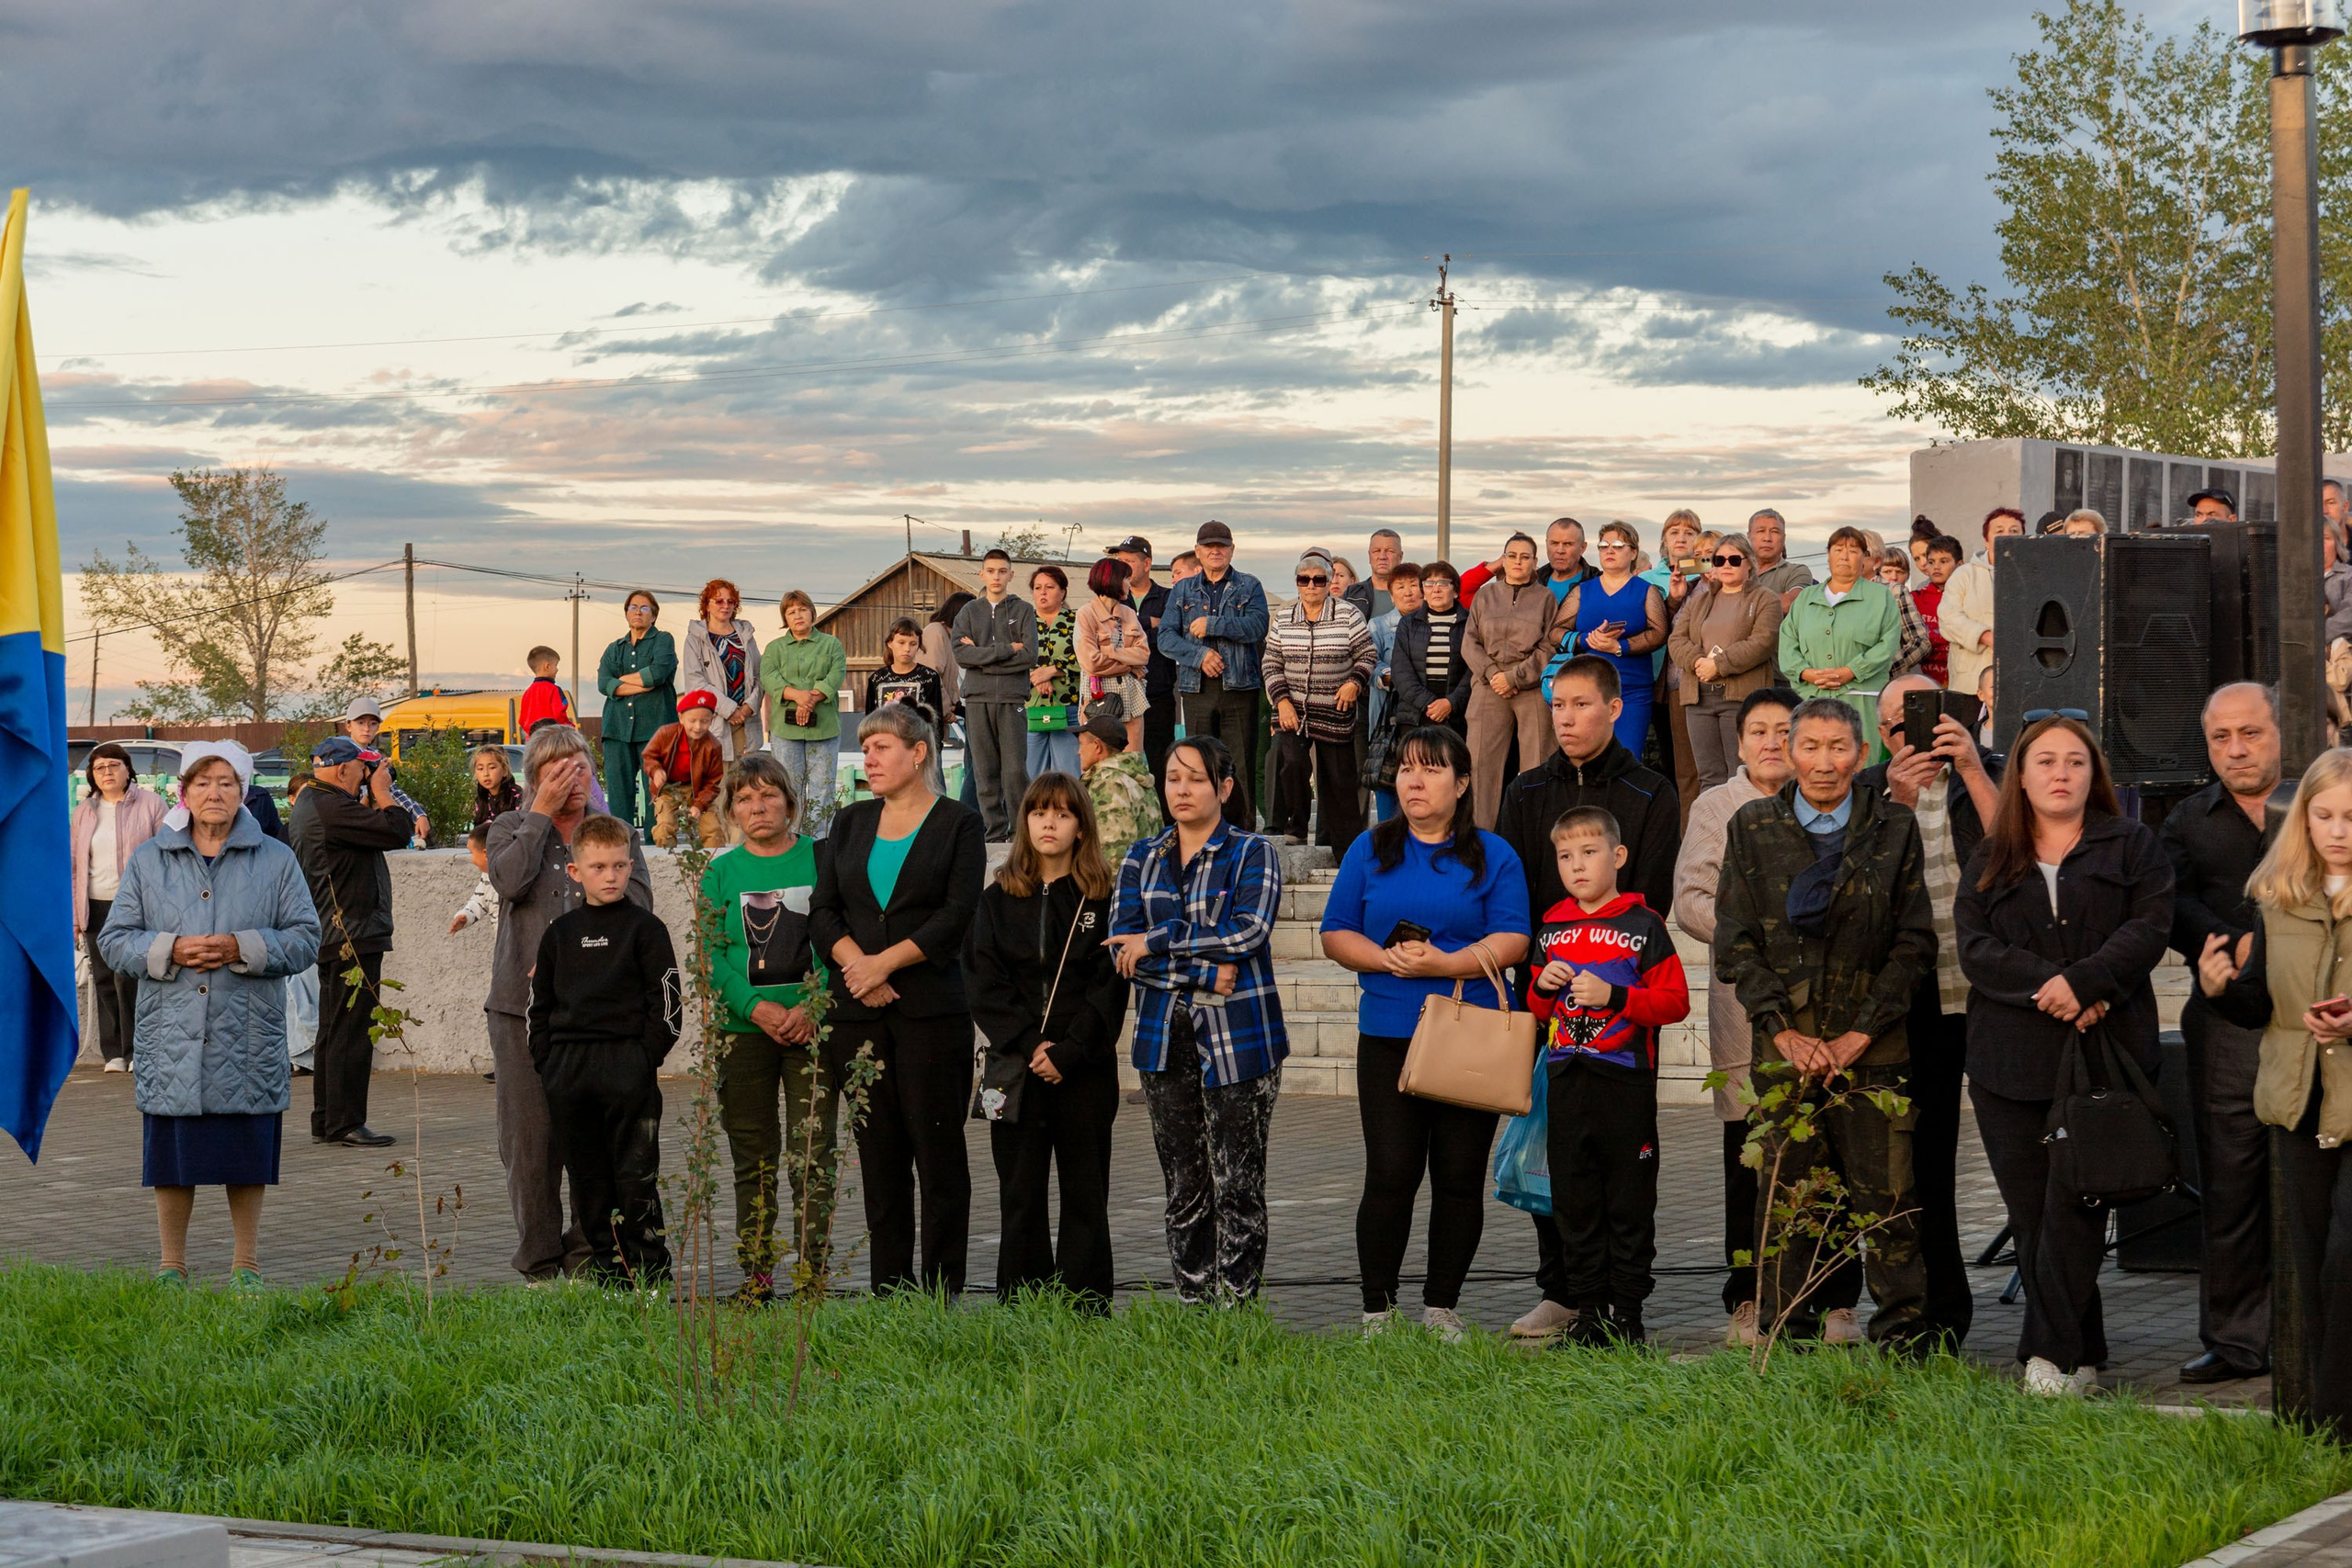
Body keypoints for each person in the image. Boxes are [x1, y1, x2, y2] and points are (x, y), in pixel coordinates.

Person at [1956, 715, 2172, 1395]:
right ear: (2019, 774)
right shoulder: (1991, 854)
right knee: (2033, 1214)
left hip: (2104, 1055)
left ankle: (2045, 1355)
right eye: (2044, 760)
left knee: (2078, 1202)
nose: (2060, 773)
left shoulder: (2132, 844)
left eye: (2074, 761)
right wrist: (2053, 988)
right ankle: (2085, 1349)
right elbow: (1977, 948)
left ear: (2093, 773)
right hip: (2009, 1065)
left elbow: (2150, 926)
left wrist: (2087, 982)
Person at [1713, 698, 1936, 1348]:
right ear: (1788, 749)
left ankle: (1905, 1346)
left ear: (1862, 755)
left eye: (1838, 747)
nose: (1823, 762)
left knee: (1889, 1202)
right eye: (1808, 745)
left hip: (1875, 1053)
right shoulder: (1753, 825)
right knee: (1787, 1204)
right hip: (1785, 1053)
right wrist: (1784, 1030)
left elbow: (1913, 944)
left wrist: (1858, 1034)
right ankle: (1786, 1340)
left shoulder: (1892, 827)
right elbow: (1736, 942)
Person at [1318, 725, 1530, 1337]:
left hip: (1470, 1034)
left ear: (1462, 783)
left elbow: (1514, 935)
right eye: (1407, 767)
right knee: (1390, 1171)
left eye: (1433, 768)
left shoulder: (1493, 853)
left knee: (1460, 1177)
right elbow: (1336, 930)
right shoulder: (1370, 848)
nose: (1414, 779)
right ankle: (1377, 1309)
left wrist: (1445, 964)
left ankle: (1441, 1305)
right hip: (1388, 1032)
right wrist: (1386, 959)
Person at [1495, 655, 1681, 1338]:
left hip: (1621, 1017)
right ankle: (1564, 1289)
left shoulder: (1650, 791)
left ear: (1612, 707)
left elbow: (1651, 900)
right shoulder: (1525, 790)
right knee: (1555, 1154)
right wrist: (1545, 969)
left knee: (1619, 1173)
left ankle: (1618, 1305)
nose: (1567, 718)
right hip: (1546, 995)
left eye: (1580, 704)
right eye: (1557, 706)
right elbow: (1514, 892)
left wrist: (1604, 969)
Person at [97, 742, 318, 1287]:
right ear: (184, 793)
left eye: (225, 782)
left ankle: (246, 1264)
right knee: (173, 1157)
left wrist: (243, 946)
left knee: (245, 1151)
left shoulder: (275, 858)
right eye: (202, 783)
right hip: (172, 1031)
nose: (214, 793)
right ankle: (172, 1264)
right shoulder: (151, 858)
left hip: (247, 1032)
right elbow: (115, 940)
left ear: (243, 791)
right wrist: (168, 949)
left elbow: (306, 938)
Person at [2199, 747, 2352, 1435]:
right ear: (2304, 821)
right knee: (2314, 1262)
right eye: (2323, 814)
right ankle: (2328, 1425)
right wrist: (2219, 990)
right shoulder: (2276, 897)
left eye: (2351, 816)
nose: (2338, 829)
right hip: (2300, 1100)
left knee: (2347, 1260)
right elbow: (2260, 1004)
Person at [810, 703, 988, 1294]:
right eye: (866, 749)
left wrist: (884, 962)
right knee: (879, 1157)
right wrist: (858, 966)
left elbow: (957, 914)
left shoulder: (958, 823)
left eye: (883, 747)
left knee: (938, 1157)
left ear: (919, 754)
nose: (870, 758)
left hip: (931, 1014)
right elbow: (823, 911)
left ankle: (941, 1294)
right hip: (857, 1015)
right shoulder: (851, 822)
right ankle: (890, 1289)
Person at [1108, 734, 1286, 1303]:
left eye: (1196, 779)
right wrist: (1207, 973)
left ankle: (1237, 1311)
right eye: (1172, 778)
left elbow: (1248, 932)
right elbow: (1120, 952)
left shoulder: (1252, 852)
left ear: (1225, 788)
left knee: (1238, 1185)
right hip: (1163, 1038)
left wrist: (1156, 942)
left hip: (1240, 1039)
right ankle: (1193, 1306)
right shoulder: (1142, 856)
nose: (1181, 790)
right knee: (1185, 1185)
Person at [487, 724, 656, 1280]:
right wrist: (540, 814)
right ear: (535, 779)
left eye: (582, 767)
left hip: (599, 1018)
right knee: (530, 1144)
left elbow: (637, 908)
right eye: (559, 771)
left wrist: (571, 960)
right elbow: (509, 883)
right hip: (520, 1012)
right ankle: (538, 1261)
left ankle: (591, 1257)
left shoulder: (613, 834)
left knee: (597, 1140)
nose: (573, 779)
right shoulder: (511, 828)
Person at [1861, 673, 2000, 1348]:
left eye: (1932, 715)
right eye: (1899, 725)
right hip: (1916, 1006)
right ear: (1882, 737)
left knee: (2027, 1161)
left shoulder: (1993, 774)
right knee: (1924, 1163)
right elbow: (1861, 896)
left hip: (2000, 996)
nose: (1917, 733)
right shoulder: (1869, 793)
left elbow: (2022, 856)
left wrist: (1971, 764)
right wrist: (1898, 801)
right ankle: (1938, 1315)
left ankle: (2063, 1328)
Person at [1671, 687, 1806, 1344]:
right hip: (1743, 1001)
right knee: (1746, 1156)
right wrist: (1750, 937)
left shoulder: (1827, 802)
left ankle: (1828, 1297)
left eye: (1785, 729)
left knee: (1817, 1145)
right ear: (1741, 739)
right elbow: (1691, 897)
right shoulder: (1716, 805)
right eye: (1758, 730)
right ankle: (1746, 1298)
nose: (1772, 742)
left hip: (1817, 1005)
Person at [1527, 805, 1691, 1345]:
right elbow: (1538, 1008)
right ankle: (1589, 1311)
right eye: (1565, 855)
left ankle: (1627, 1314)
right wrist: (1542, 989)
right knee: (1575, 1203)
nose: (1577, 865)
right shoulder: (1550, 926)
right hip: (1566, 1083)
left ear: (1617, 857)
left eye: (1589, 852)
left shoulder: (1644, 925)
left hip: (1625, 1084)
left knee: (1628, 1200)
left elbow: (1675, 1003)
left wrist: (1615, 996)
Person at [2158, 682, 2283, 1384]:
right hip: (2226, 1021)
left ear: (2281, 729)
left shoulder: (2322, 802)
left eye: (2250, 733)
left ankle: (2317, 1329)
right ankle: (2237, 1342)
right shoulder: (2187, 819)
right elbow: (2170, 901)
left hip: (2320, 1016)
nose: (2235, 749)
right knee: (2232, 1185)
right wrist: (2231, 941)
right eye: (2221, 737)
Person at [966, 773, 1129, 1306]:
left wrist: (1070, 1051)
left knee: (1086, 1194)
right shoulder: (995, 899)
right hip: (1015, 1069)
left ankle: (1086, 1307)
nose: (1049, 823)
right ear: (1025, 823)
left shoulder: (1103, 898)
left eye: (1061, 813)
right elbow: (983, 982)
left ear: (1081, 826)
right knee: (1020, 1195)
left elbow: (1109, 987)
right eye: (1039, 813)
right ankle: (1023, 1304)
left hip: (1084, 1070)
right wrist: (1032, 1044)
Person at [528, 812, 681, 1285]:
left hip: (627, 1070)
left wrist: (641, 1059)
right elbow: (540, 1008)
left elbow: (669, 1005)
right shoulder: (559, 934)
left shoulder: (646, 930)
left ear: (631, 865)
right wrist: (550, 1065)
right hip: (569, 1074)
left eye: (618, 865)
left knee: (635, 1179)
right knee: (589, 1181)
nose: (610, 876)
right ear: (576, 873)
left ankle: (649, 1277)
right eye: (598, 867)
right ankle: (612, 1277)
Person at [701, 753, 830, 1302]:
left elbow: (837, 938)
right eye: (745, 799)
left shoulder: (822, 860)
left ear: (790, 803)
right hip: (744, 1034)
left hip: (810, 1031)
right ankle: (756, 1279)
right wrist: (755, 1008)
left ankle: (811, 1280)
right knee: (752, 1160)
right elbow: (708, 954)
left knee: (812, 1156)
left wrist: (809, 1006)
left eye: (769, 795)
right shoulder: (719, 871)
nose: (758, 807)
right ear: (732, 811)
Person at [286, 734, 413, 1150]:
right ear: (343, 769)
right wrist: (382, 792)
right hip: (351, 935)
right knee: (352, 1030)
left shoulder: (313, 801)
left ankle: (327, 1118)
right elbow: (397, 830)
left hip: (338, 931)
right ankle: (345, 1122)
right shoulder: (329, 804)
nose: (366, 776)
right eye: (362, 769)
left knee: (334, 1027)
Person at [1159, 521, 1272, 830]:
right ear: (1198, 552)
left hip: (1240, 688)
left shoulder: (1249, 585)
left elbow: (1257, 626)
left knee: (1240, 764)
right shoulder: (1182, 589)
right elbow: (1166, 639)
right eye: (1209, 546)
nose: (1215, 551)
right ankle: (1200, 826)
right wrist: (1200, 656)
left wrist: (1213, 624)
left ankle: (1244, 831)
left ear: (1232, 550)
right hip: (1196, 689)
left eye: (1221, 546)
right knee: (1199, 762)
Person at [1264, 547, 1375, 854]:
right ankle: (1295, 829)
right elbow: (1271, 663)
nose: (1311, 585)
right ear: (1297, 582)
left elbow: (1367, 654)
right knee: (1293, 765)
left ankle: (1347, 850)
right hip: (1292, 709)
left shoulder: (1348, 614)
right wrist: (1281, 701)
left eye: (1318, 579)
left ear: (1328, 583)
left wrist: (1355, 683)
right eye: (1304, 579)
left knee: (1339, 781)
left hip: (1334, 711)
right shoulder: (1284, 616)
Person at [1464, 534, 1575, 829]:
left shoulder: (1546, 598)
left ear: (1535, 563)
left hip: (1530, 686)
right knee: (1480, 765)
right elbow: (1469, 642)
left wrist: (1516, 677)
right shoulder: (1485, 596)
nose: (1517, 562)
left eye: (1525, 557)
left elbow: (1549, 646)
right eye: (1512, 555)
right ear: (1504, 559)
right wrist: (1492, 675)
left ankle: (1534, 835)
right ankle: (1478, 838)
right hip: (1488, 685)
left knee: (1538, 762)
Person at [73, 742, 166, 1073]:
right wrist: (75, 916)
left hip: (137, 905)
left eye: (113, 765)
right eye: (100, 768)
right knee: (103, 977)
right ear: (92, 776)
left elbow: (167, 856)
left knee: (131, 977)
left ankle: (136, 1050)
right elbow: (74, 865)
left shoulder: (152, 804)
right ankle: (113, 1052)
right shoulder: (85, 812)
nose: (107, 772)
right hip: (96, 904)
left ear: (128, 769)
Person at [1668, 533, 1785, 795]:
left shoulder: (1765, 599)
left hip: (1740, 697)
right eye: (1719, 560)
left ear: (1749, 563)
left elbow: (1762, 642)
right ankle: (1716, 835)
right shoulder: (1698, 601)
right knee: (1708, 777)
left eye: (1734, 559)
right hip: (1698, 698)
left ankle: (1743, 833)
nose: (1726, 565)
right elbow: (1676, 640)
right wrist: (1698, 661)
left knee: (1741, 773)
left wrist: (1718, 665)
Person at [1780, 526, 1903, 750]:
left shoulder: (1880, 597)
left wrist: (1849, 672)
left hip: (1862, 698)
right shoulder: (1806, 597)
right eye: (1838, 550)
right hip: (1811, 698)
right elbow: (1787, 643)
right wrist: (1808, 674)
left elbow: (1888, 643)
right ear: (1828, 555)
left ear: (1865, 558)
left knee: (1862, 764)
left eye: (1853, 551)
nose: (1845, 556)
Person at [952, 549, 1039, 842]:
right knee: (985, 771)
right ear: (982, 574)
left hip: (1012, 699)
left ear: (1011, 575)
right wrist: (1005, 650)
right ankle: (994, 833)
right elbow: (962, 655)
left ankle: (1019, 832)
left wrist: (983, 659)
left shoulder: (1024, 609)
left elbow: (1029, 655)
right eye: (991, 571)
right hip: (976, 699)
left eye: (1002, 571)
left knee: (1015, 771)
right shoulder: (968, 612)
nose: (996, 576)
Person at [1561, 522, 1669, 756]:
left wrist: (1621, 646)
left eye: (1618, 545)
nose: (1609, 550)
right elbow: (1555, 632)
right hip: (1588, 691)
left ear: (1633, 552)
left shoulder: (1647, 591)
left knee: (1628, 757)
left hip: (1632, 691)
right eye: (1604, 545)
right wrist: (1587, 641)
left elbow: (1660, 633)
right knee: (1588, 757)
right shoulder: (1582, 590)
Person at [761, 588, 847, 841]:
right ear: (784, 618)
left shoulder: (831, 644)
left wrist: (812, 698)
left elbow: (836, 673)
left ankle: (821, 842)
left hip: (824, 729)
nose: (798, 615)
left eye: (802, 609)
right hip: (786, 731)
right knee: (789, 787)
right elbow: (768, 677)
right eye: (791, 612)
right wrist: (798, 697)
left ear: (812, 611)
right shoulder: (774, 648)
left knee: (822, 789)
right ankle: (791, 839)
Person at [594, 590, 679, 836]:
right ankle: (621, 844)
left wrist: (618, 683)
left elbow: (657, 674)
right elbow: (602, 683)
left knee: (657, 789)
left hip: (656, 730)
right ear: (626, 613)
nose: (638, 612)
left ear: (653, 615)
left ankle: (658, 845)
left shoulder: (663, 640)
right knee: (619, 793)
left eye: (644, 608)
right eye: (633, 607)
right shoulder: (614, 648)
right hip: (617, 729)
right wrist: (640, 683)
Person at [1939, 507, 2025, 705]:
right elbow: (1948, 619)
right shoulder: (1965, 575)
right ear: (1986, 540)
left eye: (2014, 531)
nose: (2007, 536)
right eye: (1999, 530)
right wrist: (1986, 636)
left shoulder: (2033, 577)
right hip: (1970, 681)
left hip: (2017, 677)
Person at [1111, 536, 1179, 778]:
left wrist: (1134, 638)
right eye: (1119, 561)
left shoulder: (1169, 597)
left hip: (1158, 695)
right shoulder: (1115, 599)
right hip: (1121, 695)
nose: (1122, 567)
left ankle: (1164, 816)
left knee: (1161, 762)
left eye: (1128, 561)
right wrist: (1148, 622)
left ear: (1147, 563)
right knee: (1125, 764)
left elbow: (1169, 637)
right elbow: (1110, 636)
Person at [680, 579, 765, 762]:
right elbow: (696, 684)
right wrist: (730, 710)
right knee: (717, 789)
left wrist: (749, 707)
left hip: (746, 722)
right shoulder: (695, 639)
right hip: (713, 724)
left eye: (730, 601)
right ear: (707, 605)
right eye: (719, 601)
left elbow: (760, 675)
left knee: (746, 787)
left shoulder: (746, 635)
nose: (725, 606)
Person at [865, 616, 950, 795]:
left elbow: (935, 719)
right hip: (885, 751)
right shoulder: (877, 679)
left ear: (919, 646)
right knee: (887, 798)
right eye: (901, 642)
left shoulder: (929, 677)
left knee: (929, 796)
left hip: (921, 749)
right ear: (890, 643)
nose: (907, 648)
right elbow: (869, 719)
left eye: (913, 643)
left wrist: (934, 752)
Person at [1366, 562, 1423, 822]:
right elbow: (1369, 665)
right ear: (1391, 595)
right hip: (1390, 718)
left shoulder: (1432, 624)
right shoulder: (1377, 626)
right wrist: (1396, 675)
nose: (1408, 592)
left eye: (1414, 585)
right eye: (1401, 587)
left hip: (1424, 715)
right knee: (1387, 779)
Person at [1075, 557, 1150, 754]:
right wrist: (1129, 666)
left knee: (1133, 765)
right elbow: (1092, 663)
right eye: (1126, 578)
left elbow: (1143, 655)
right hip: (1097, 702)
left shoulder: (1129, 614)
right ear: (1114, 580)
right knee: (1096, 764)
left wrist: (1112, 652)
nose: (1129, 583)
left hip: (1132, 700)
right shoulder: (1085, 614)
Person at [1392, 561, 1471, 741]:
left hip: (1457, 713)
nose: (1435, 589)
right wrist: (1430, 705)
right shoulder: (1408, 623)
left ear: (1456, 591)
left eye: (1443, 583)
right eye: (1429, 584)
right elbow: (1401, 670)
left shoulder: (1470, 622)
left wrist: (1450, 703)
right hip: (1416, 713)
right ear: (1423, 592)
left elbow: (1473, 669)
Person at [641, 689, 728, 849]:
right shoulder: (665, 734)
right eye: (692, 720)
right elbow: (649, 756)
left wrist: (699, 805)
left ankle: (712, 868)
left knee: (713, 830)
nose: (698, 726)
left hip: (698, 790)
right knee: (664, 828)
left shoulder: (713, 746)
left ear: (712, 720)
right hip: (669, 788)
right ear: (681, 718)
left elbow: (712, 783)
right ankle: (668, 864)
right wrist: (656, 770)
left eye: (704, 721)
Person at [336, 698, 428, 843]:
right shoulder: (337, 755)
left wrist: (419, 815)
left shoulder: (375, 758)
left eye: (373, 724)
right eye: (360, 723)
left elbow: (392, 790)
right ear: (348, 725)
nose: (366, 728)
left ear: (378, 727)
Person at [1077, 710, 1161, 866]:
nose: (1078, 752)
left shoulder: (1107, 782)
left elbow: (1114, 851)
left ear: (1097, 746)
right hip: (1149, 879)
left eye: (1082, 745)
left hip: (1121, 885)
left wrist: (1108, 889)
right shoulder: (1138, 776)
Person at [1024, 564, 1085, 779]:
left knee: (1069, 773)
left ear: (1063, 592)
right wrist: (1038, 676)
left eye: (1049, 587)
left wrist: (1053, 670)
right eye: (1038, 587)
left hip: (1068, 704)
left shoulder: (1077, 621)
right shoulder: (1023, 622)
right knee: (1032, 775)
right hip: (1032, 705)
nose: (1043, 592)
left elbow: (1085, 656)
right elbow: (1014, 656)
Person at [1913, 534, 1962, 686]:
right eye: (1931, 562)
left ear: (1960, 565)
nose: (1936, 567)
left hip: (1961, 678)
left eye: (1944, 561)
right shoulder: (1915, 599)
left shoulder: (1969, 598)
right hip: (1924, 680)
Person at [1876, 547, 1934, 678]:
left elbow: (1920, 642)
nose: (1894, 577)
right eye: (1888, 571)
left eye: (1900, 572)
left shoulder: (1900, 593)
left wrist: (1889, 669)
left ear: (1908, 575)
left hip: (1902, 675)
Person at [1746, 509, 1816, 614]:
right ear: (1749, 536)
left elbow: (1790, 604)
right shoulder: (1734, 568)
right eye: (1761, 531)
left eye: (1775, 532)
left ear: (1783, 538)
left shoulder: (1796, 571)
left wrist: (1739, 603)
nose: (1767, 538)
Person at [450, 823, 497, 934]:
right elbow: (479, 902)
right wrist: (465, 916)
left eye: (472, 853)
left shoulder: (513, 878)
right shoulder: (486, 876)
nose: (472, 859)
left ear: (485, 853)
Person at [518, 647, 572, 735]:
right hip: (552, 740)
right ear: (547, 666)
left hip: (533, 741)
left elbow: (522, 721)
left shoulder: (527, 693)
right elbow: (560, 716)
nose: (557, 669)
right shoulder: (554, 690)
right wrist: (571, 729)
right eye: (556, 665)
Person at [471, 744, 522, 830]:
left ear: (505, 770)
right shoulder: (481, 799)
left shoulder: (517, 797)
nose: (486, 774)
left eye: (492, 768)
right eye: (480, 769)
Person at [1366, 528, 1405, 615]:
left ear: (1400, 557)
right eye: (1376, 551)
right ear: (1369, 556)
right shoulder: (1353, 595)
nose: (1382, 557)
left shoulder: (1416, 595)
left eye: (1389, 551)